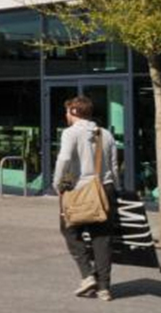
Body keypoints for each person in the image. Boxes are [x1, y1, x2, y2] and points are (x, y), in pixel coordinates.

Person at [54, 95, 118, 302]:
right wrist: (114, 189)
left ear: (74, 112)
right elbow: (114, 166)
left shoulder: (70, 133)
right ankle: (104, 289)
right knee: (102, 240)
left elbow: (64, 159)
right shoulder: (106, 134)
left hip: (80, 191)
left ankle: (87, 274)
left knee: (69, 229)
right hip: (104, 190)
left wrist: (57, 183)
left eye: (67, 111)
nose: (65, 115)